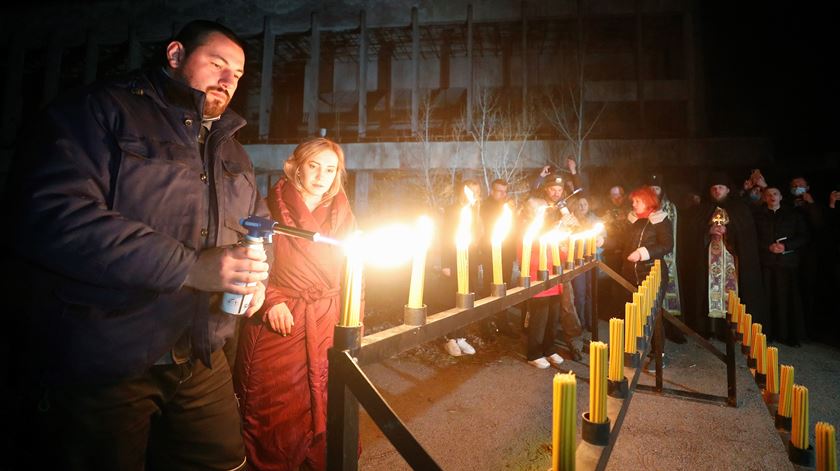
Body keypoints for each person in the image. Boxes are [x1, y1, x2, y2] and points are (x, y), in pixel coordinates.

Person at [8, 21, 267, 470]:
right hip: (108, 356)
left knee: (223, 463)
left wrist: (260, 277)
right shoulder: (100, 110)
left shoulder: (231, 150)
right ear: (174, 55)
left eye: (238, 75)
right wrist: (189, 267)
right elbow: (50, 212)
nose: (228, 82)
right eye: (217, 64)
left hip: (201, 350)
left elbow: (257, 226)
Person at [234, 137, 356, 471]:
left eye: (330, 169)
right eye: (314, 166)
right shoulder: (267, 205)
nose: (322, 176)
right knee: (275, 414)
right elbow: (248, 254)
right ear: (296, 165)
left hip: (328, 320)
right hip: (280, 322)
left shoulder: (342, 210)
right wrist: (270, 299)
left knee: (330, 403)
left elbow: (354, 269)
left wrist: (353, 318)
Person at [688, 171, 766, 339]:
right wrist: (707, 230)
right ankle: (708, 328)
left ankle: (731, 330)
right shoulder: (702, 209)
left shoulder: (739, 209)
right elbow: (691, 232)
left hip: (733, 263)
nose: (717, 191)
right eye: (714, 188)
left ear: (728, 190)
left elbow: (747, 234)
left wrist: (728, 230)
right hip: (708, 265)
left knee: (733, 295)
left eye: (721, 187)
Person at [620, 186, 674, 369]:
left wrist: (643, 253)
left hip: (653, 273)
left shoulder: (660, 220)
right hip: (631, 274)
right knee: (633, 314)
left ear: (648, 201)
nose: (633, 204)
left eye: (637, 201)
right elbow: (621, 240)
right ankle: (633, 350)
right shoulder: (633, 219)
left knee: (653, 315)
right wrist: (603, 241)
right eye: (633, 201)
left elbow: (667, 245)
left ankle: (659, 354)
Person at [754, 186, 809, 346]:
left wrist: (786, 246)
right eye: (768, 194)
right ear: (764, 198)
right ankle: (768, 333)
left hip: (787, 264)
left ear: (781, 196)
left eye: (775, 194)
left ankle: (788, 335)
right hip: (767, 263)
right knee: (768, 298)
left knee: (788, 300)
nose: (772, 197)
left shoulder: (793, 215)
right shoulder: (758, 216)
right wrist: (767, 247)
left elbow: (804, 236)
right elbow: (752, 238)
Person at [519, 197, 568, 369]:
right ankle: (534, 353)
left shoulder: (548, 226)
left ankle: (549, 348)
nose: (546, 210)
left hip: (553, 278)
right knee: (539, 319)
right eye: (541, 208)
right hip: (537, 277)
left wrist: (562, 250)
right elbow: (526, 251)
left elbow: (556, 251)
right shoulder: (527, 228)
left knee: (552, 318)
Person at [439, 179, 482, 356]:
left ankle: (461, 336)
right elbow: (444, 238)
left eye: (477, 191)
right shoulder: (451, 211)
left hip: (470, 262)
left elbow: (479, 236)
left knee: (467, 297)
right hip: (454, 260)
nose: (474, 194)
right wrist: (446, 263)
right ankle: (449, 338)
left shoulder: (476, 211)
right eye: (471, 191)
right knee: (452, 299)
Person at [648, 174, 687, 344]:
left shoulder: (669, 207)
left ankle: (671, 328)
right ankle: (653, 331)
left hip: (667, 255)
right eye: (651, 189)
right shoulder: (643, 207)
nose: (654, 191)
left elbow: (672, 233)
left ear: (661, 190)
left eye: (656, 188)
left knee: (670, 292)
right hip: (649, 254)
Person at [479, 178, 519, 337]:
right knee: (491, 288)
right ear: (492, 191)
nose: (503, 194)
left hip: (507, 253)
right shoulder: (486, 206)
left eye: (505, 191)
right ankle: (486, 323)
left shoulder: (507, 207)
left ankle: (502, 320)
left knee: (505, 288)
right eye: (499, 191)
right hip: (491, 254)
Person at [570, 196, 603, 333]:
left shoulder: (595, 220)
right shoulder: (571, 220)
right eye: (579, 204)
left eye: (585, 204)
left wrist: (601, 241)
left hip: (592, 259)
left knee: (591, 291)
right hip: (577, 261)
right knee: (580, 292)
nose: (582, 207)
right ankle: (580, 321)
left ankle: (591, 321)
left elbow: (602, 238)